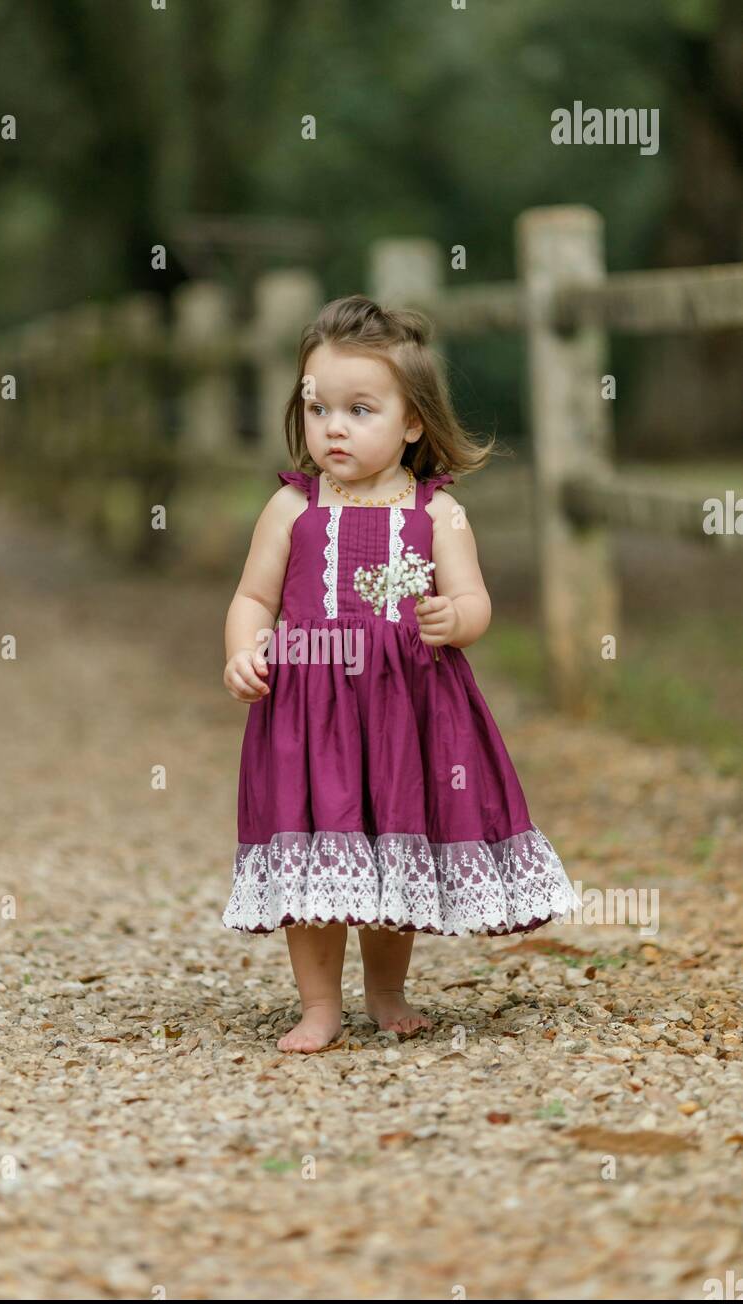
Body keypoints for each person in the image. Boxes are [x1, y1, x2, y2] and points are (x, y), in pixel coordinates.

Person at [222, 295, 579, 1053]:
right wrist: (244, 650)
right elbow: (253, 596)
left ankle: (386, 992)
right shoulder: (291, 506)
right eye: (319, 409)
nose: (335, 427)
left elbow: (473, 597)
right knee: (316, 848)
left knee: (394, 840)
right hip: (311, 710)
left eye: (360, 409)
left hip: (404, 709)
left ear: (413, 421)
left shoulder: (436, 513)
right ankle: (318, 1005)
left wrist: (460, 619)